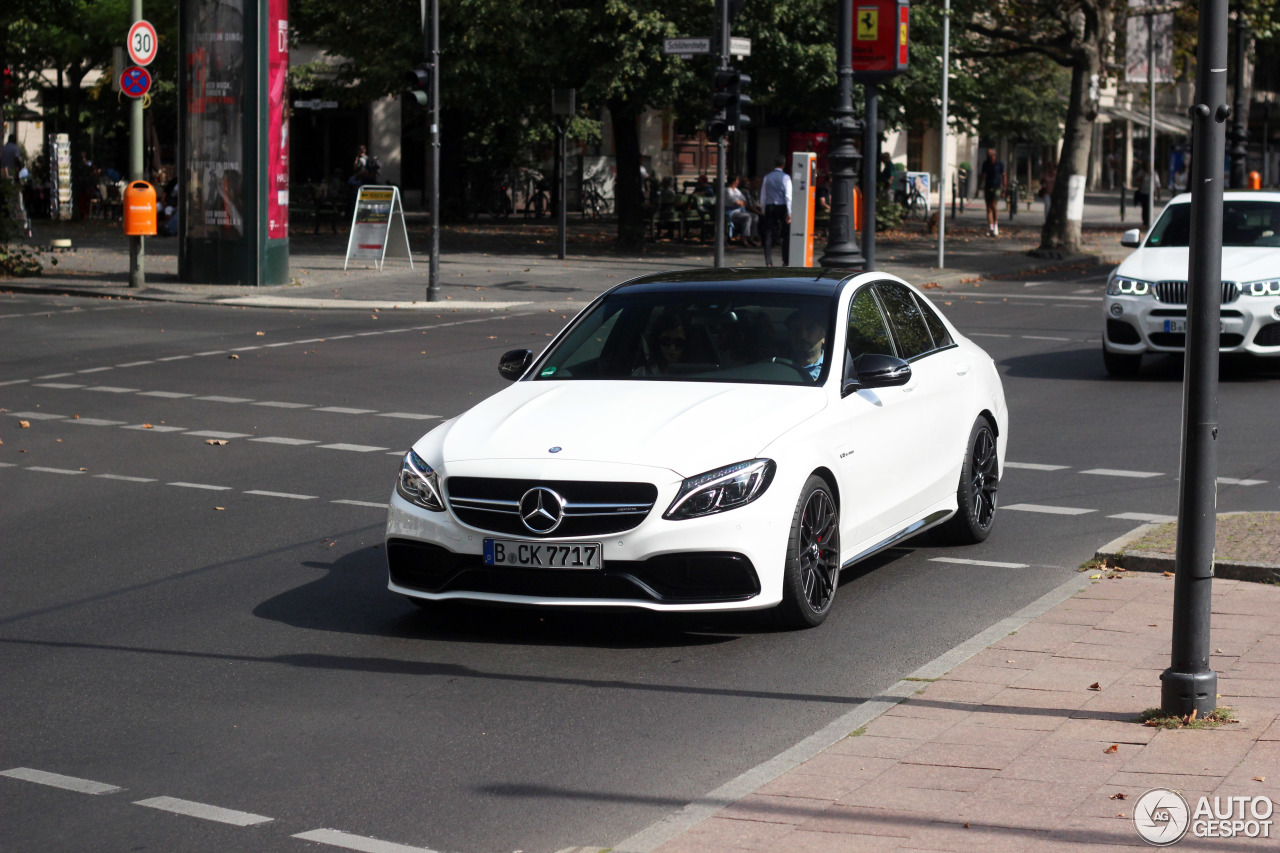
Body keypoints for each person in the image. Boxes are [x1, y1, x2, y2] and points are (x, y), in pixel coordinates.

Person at [761, 156, 792, 266]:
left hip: (769, 206)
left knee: (768, 234)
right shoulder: (786, 177)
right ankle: (785, 260)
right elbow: (788, 196)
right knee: (786, 234)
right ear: (783, 164)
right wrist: (789, 211)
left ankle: (768, 262)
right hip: (782, 206)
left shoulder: (767, 177)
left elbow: (763, 195)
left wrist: (764, 209)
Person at [785, 307, 826, 380]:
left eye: (810, 328)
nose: (802, 336)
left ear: (823, 336)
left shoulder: (835, 367)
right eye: (796, 329)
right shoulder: (780, 367)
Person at [975, 148, 1006, 237]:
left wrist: (1004, 188)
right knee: (988, 208)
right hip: (988, 187)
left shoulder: (999, 164)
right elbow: (982, 176)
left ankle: (996, 225)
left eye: (990, 154)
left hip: (996, 187)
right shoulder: (986, 164)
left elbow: (1003, 175)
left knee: (993, 206)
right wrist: (978, 188)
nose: (988, 156)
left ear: (994, 155)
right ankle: (991, 227)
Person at [725, 175, 758, 246]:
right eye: (737, 180)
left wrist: (741, 202)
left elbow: (744, 201)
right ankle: (743, 239)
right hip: (732, 213)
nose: (738, 182)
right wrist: (740, 202)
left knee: (755, 216)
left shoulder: (737, 190)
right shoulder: (727, 191)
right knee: (747, 217)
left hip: (740, 211)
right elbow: (736, 202)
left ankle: (751, 238)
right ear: (734, 181)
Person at [1134, 159, 1161, 230]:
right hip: (1143, 192)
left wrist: (1158, 193)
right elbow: (1136, 180)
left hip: (1151, 194)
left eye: (1149, 165)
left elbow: (1158, 184)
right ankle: (1145, 222)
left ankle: (1149, 222)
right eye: (1147, 164)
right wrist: (1141, 178)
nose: (1148, 166)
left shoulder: (1154, 173)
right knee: (1144, 208)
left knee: (1149, 208)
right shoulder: (1142, 172)